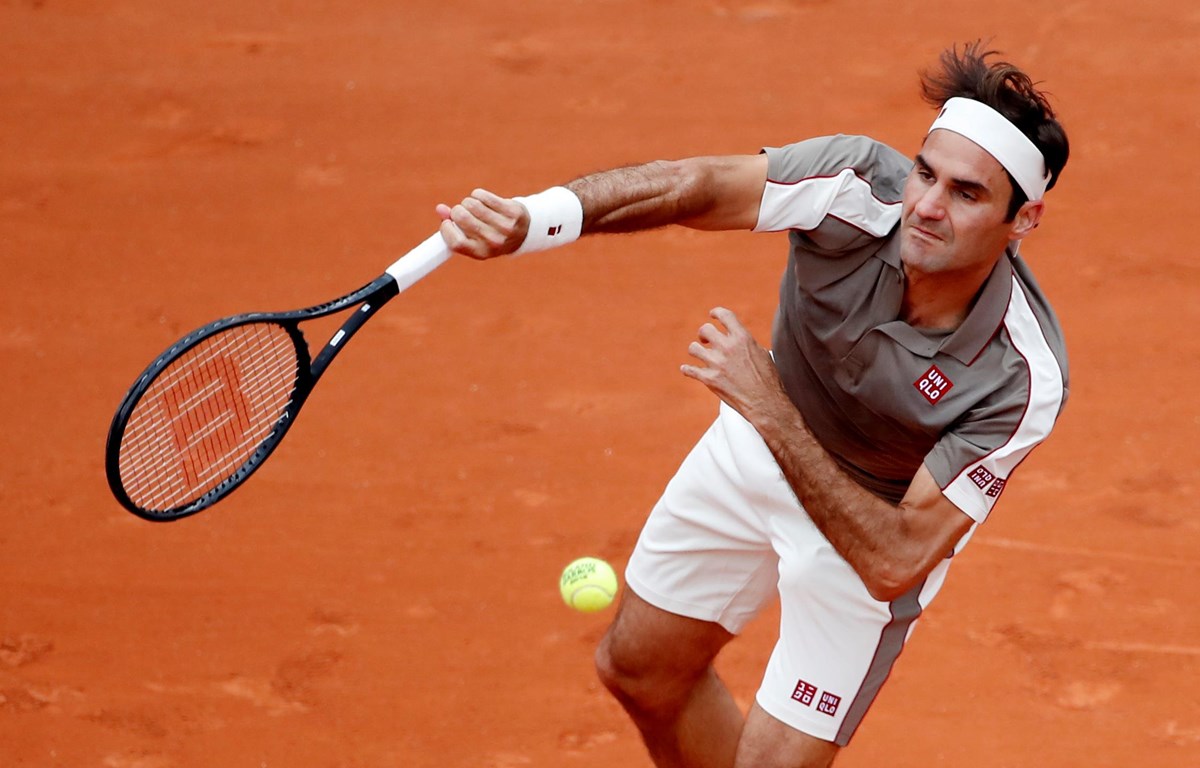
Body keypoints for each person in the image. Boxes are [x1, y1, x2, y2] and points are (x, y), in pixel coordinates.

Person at [435, 41, 1070, 768]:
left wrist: (767, 406)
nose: (925, 207)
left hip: (862, 531)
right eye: (926, 173)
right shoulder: (856, 187)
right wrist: (538, 218)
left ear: (1024, 220)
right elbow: (697, 184)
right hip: (756, 450)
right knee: (639, 671)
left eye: (967, 194)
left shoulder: (1021, 377)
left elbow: (894, 560)